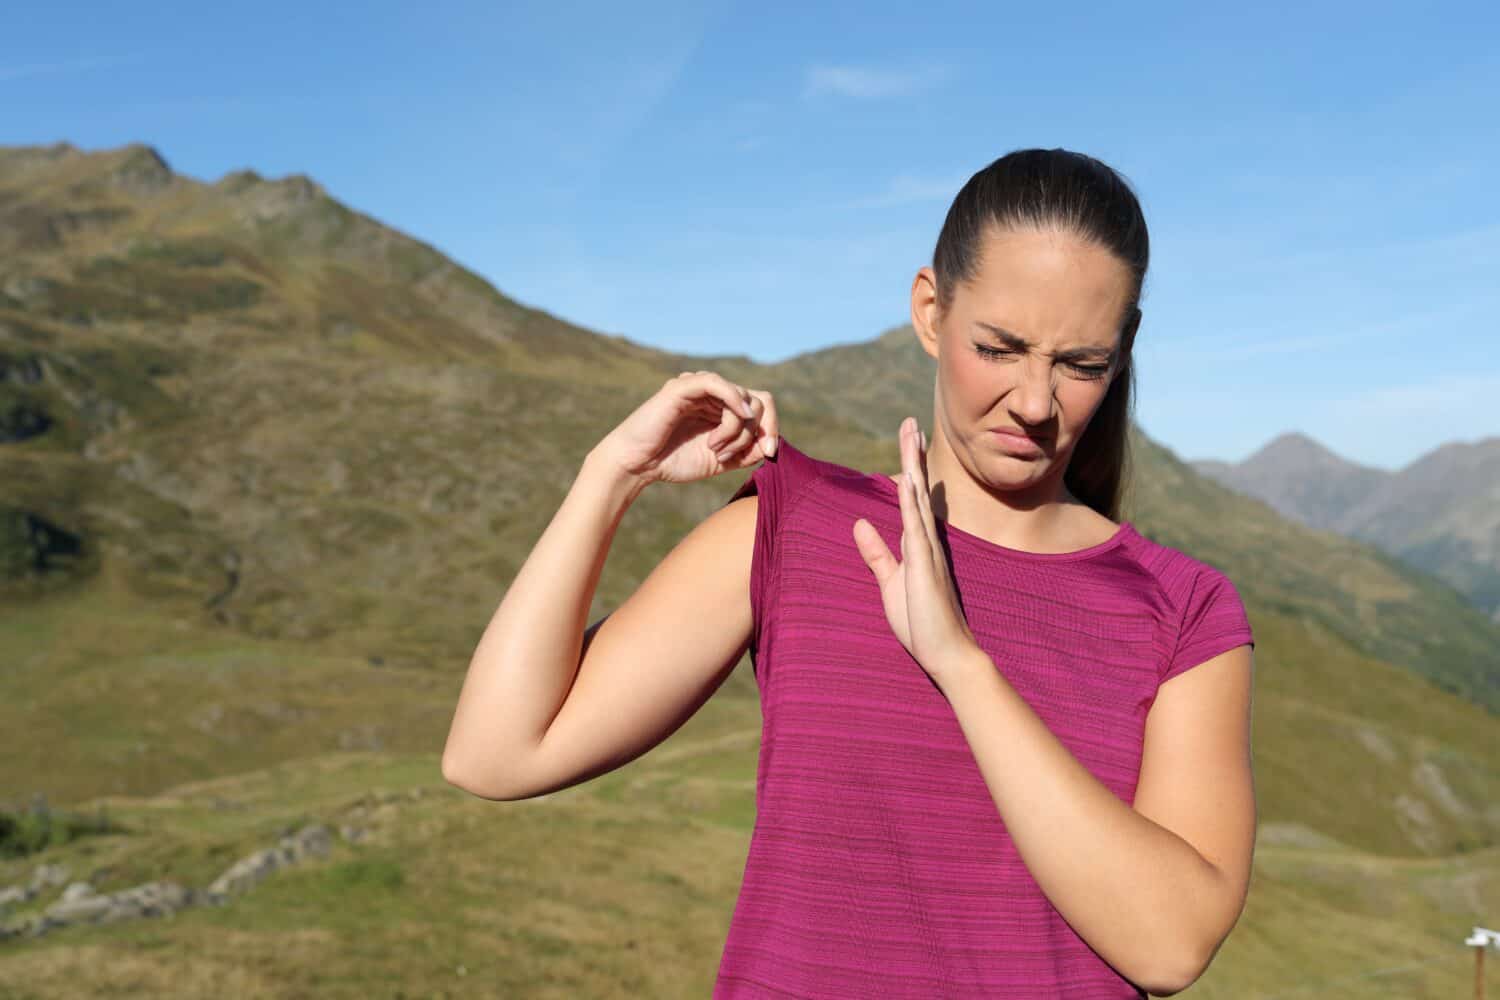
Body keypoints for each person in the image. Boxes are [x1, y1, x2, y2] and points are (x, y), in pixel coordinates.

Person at [442, 148, 1256, 999]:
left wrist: (961, 665)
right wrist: (613, 473)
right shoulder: (801, 527)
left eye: (1080, 364)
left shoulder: (1183, 608)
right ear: (931, 312)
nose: (1035, 401)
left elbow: (1172, 947)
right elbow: (495, 755)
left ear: (1121, 352)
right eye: (1000, 347)